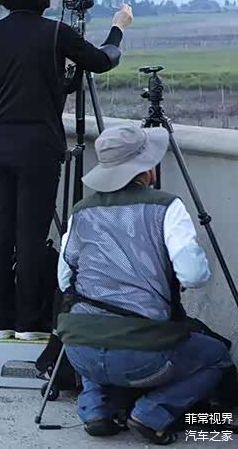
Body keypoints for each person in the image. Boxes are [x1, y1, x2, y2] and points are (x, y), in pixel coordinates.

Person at [0, 0, 134, 340]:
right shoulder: (55, 33)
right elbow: (103, 60)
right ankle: (30, 324)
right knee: (31, 235)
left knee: (0, 233)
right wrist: (118, 27)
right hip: (37, 146)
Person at [57, 124, 231, 443]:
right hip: (144, 358)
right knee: (216, 355)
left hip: (79, 353)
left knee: (92, 326)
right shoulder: (166, 207)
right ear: (147, 168)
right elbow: (194, 275)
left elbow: (64, 279)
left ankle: (94, 409)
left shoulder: (81, 211)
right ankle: (152, 413)